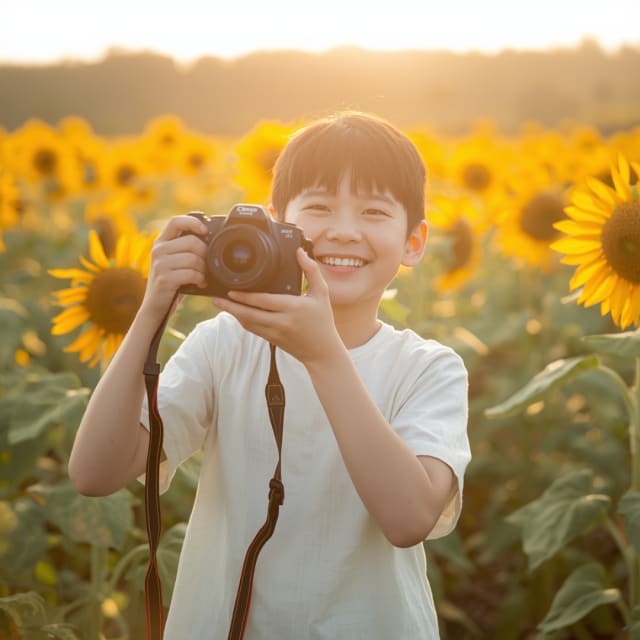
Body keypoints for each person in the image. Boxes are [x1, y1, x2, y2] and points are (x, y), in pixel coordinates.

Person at [68, 111, 471, 639]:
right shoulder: (225, 345)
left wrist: (324, 355)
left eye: (374, 211)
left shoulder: (428, 369)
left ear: (414, 242)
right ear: (278, 223)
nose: (344, 231)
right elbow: (94, 473)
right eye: (320, 206)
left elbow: (409, 519)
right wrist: (151, 308)